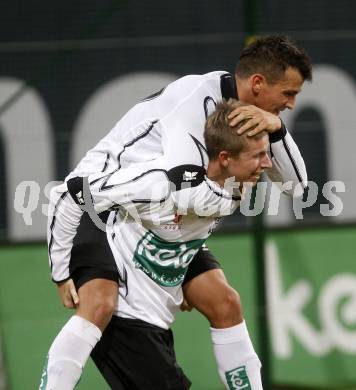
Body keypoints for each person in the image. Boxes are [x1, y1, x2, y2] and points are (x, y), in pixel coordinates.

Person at [40, 35, 310, 389]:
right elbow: (184, 193)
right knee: (99, 304)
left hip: (157, 221)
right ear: (257, 84)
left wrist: (276, 129)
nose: (290, 104)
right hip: (104, 207)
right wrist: (61, 272)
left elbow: (296, 187)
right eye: (288, 94)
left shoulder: (244, 127)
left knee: (225, 302)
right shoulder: (192, 105)